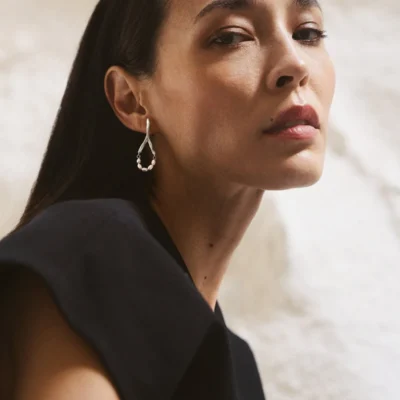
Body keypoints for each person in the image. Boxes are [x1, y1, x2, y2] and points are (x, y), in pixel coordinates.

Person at [0, 0, 336, 398]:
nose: (295, 64)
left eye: (307, 33)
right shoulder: (89, 252)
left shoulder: (239, 366)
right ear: (131, 100)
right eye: (232, 37)